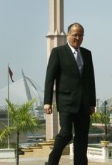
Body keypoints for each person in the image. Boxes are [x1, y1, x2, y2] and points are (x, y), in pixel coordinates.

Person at [44, 22, 96, 165]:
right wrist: (47, 101)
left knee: (82, 138)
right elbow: (50, 78)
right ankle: (51, 162)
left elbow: (90, 80)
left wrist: (92, 103)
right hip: (66, 102)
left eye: (80, 35)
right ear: (68, 35)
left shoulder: (87, 53)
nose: (77, 38)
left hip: (84, 104)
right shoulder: (58, 52)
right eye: (74, 35)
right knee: (66, 134)